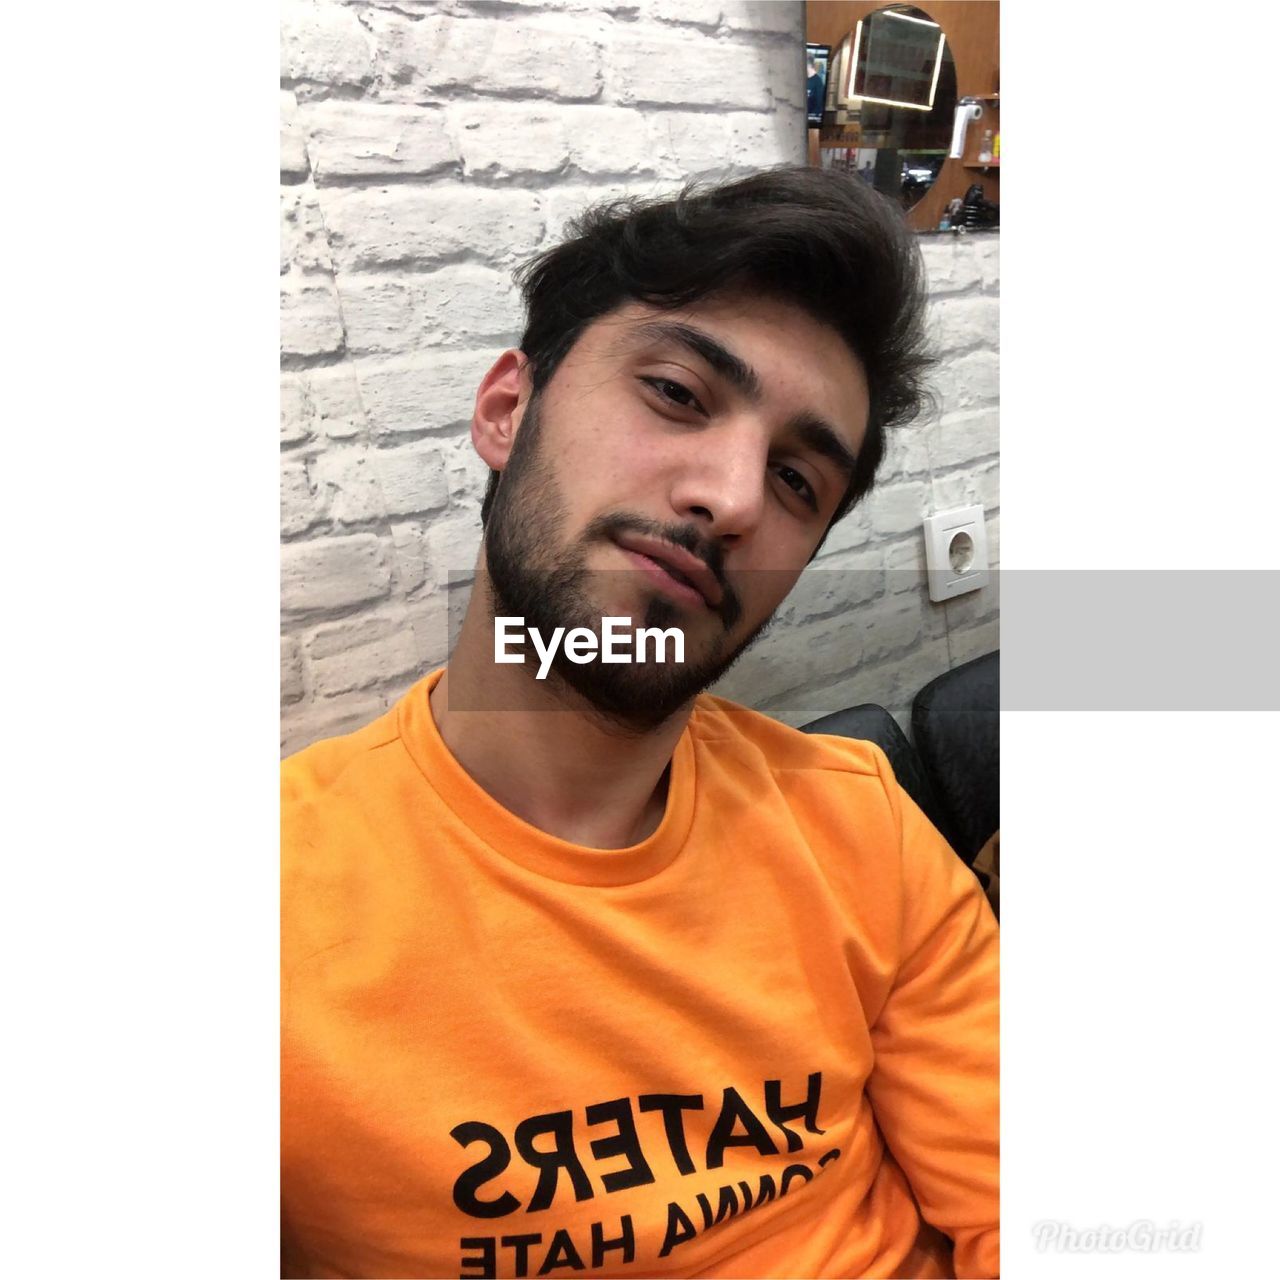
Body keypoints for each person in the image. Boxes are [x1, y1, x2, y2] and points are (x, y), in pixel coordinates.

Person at [281, 167, 999, 1279]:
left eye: (798, 478)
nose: (734, 497)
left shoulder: (866, 831)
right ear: (506, 407)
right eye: (674, 392)